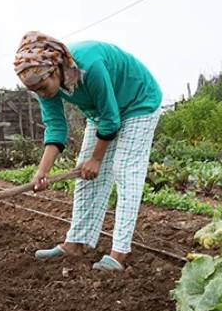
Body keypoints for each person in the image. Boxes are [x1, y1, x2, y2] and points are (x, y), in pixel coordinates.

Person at [14, 31, 162, 272]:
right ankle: (76, 243)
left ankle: (119, 253)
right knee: (84, 176)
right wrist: (42, 172)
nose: (41, 93)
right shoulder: (44, 84)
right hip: (101, 112)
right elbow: (56, 126)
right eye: (35, 91)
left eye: (42, 86)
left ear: (55, 68)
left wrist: (97, 159)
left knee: (124, 170)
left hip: (138, 102)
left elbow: (111, 119)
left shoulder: (90, 66)